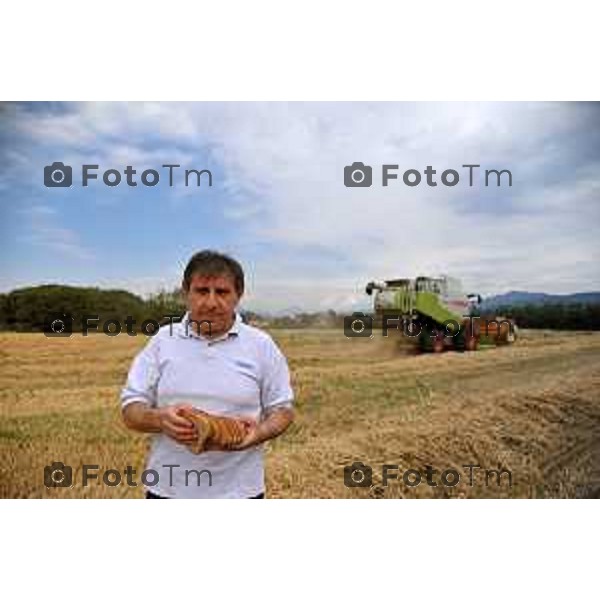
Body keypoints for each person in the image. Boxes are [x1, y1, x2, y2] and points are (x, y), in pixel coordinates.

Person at [120, 250, 295, 498]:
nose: (211, 302)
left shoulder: (261, 345)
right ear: (186, 293)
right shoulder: (162, 340)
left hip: (240, 492)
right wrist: (160, 419)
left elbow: (283, 411)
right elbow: (130, 409)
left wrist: (257, 434)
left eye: (222, 292)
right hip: (167, 491)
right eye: (202, 291)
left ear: (238, 295)